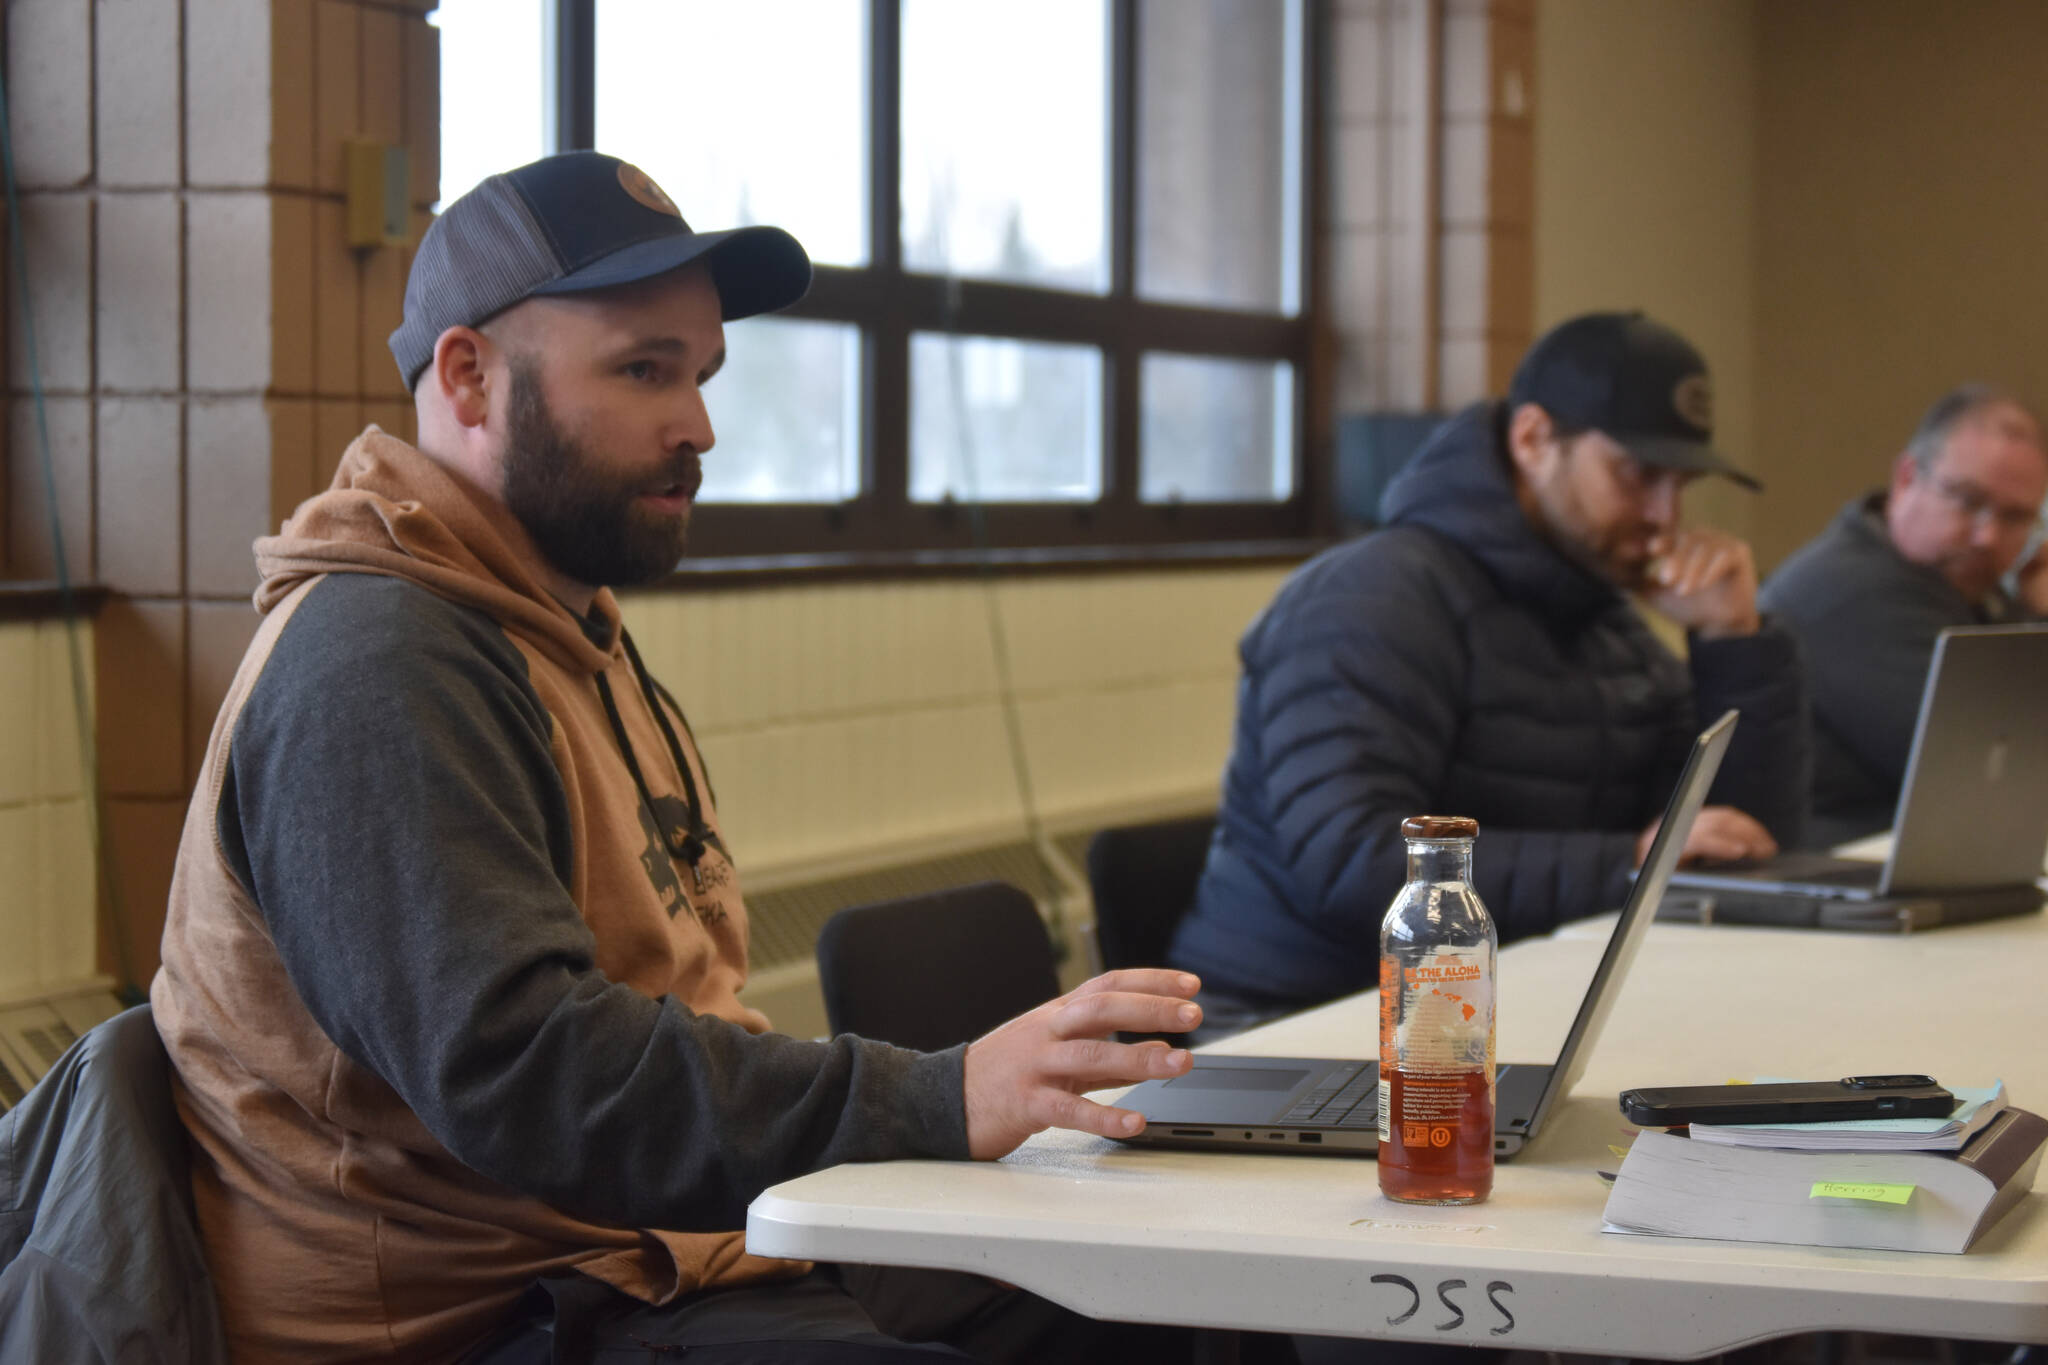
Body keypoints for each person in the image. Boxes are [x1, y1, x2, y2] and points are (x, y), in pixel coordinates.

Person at [148, 152, 1222, 1365]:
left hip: (661, 1253)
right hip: (495, 1311)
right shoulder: (380, 663)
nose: (697, 426)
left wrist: (943, 1110)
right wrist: (935, 1097)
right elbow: (527, 1073)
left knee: (1154, 1290)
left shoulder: (558, 625)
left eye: (702, 373)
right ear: (468, 376)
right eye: (643, 371)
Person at [1168, 312, 1808, 1029]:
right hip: (1296, 1020)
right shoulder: (1372, 599)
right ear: (1534, 439)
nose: (1665, 515)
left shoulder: (1599, 616)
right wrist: (1627, 863)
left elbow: (1743, 844)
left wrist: (1733, 640)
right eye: (1638, 474)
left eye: (1680, 483)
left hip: (1492, 1008)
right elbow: (1352, 863)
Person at [1759, 386, 2047, 845]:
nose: (1987, 537)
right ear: (1908, 477)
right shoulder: (1849, 589)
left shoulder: (1961, 584)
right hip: (1823, 873)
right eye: (1968, 500)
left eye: (2015, 517)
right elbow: (1992, 775)